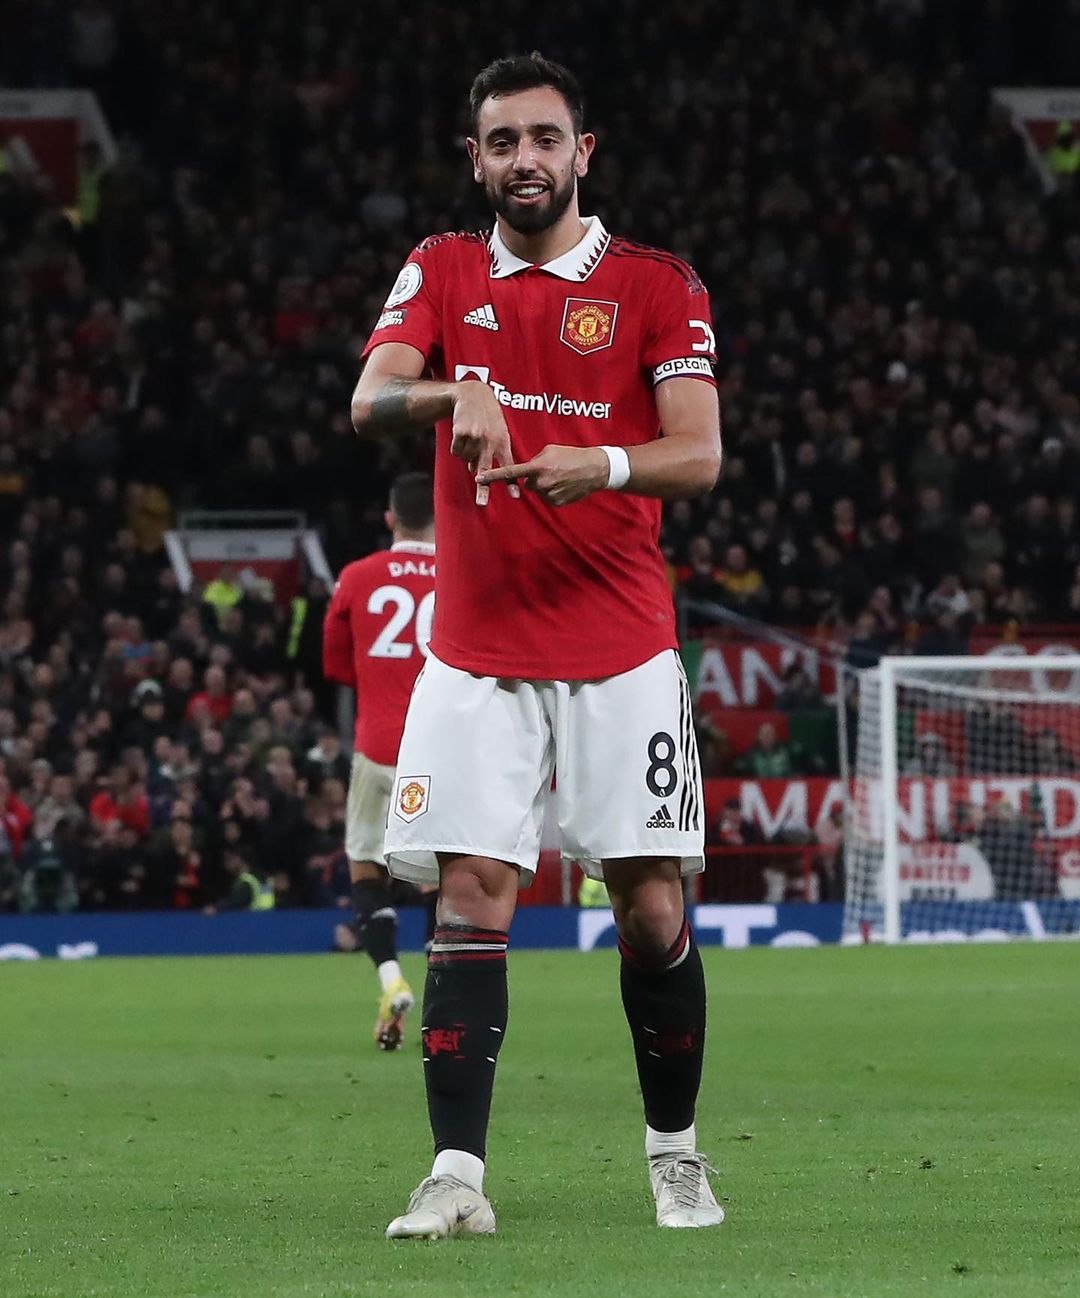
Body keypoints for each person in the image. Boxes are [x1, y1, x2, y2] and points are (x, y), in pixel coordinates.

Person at [351, 54, 723, 1236]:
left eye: (545, 138)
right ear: (476, 159)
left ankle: (676, 1155)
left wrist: (598, 462)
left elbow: (699, 452)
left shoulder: (658, 284)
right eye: (503, 141)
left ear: (582, 153)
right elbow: (369, 397)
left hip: (622, 648)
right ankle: (456, 1174)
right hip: (476, 652)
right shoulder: (441, 268)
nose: (526, 159)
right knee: (471, 894)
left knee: (651, 907)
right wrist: (450, 394)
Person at [322, 472, 437, 1050]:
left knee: (367, 868)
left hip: (378, 747)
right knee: (444, 882)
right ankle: (444, 1012)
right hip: (441, 751)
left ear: (391, 518)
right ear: (439, 517)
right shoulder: (460, 575)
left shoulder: (357, 577)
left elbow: (335, 667)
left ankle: (391, 980)